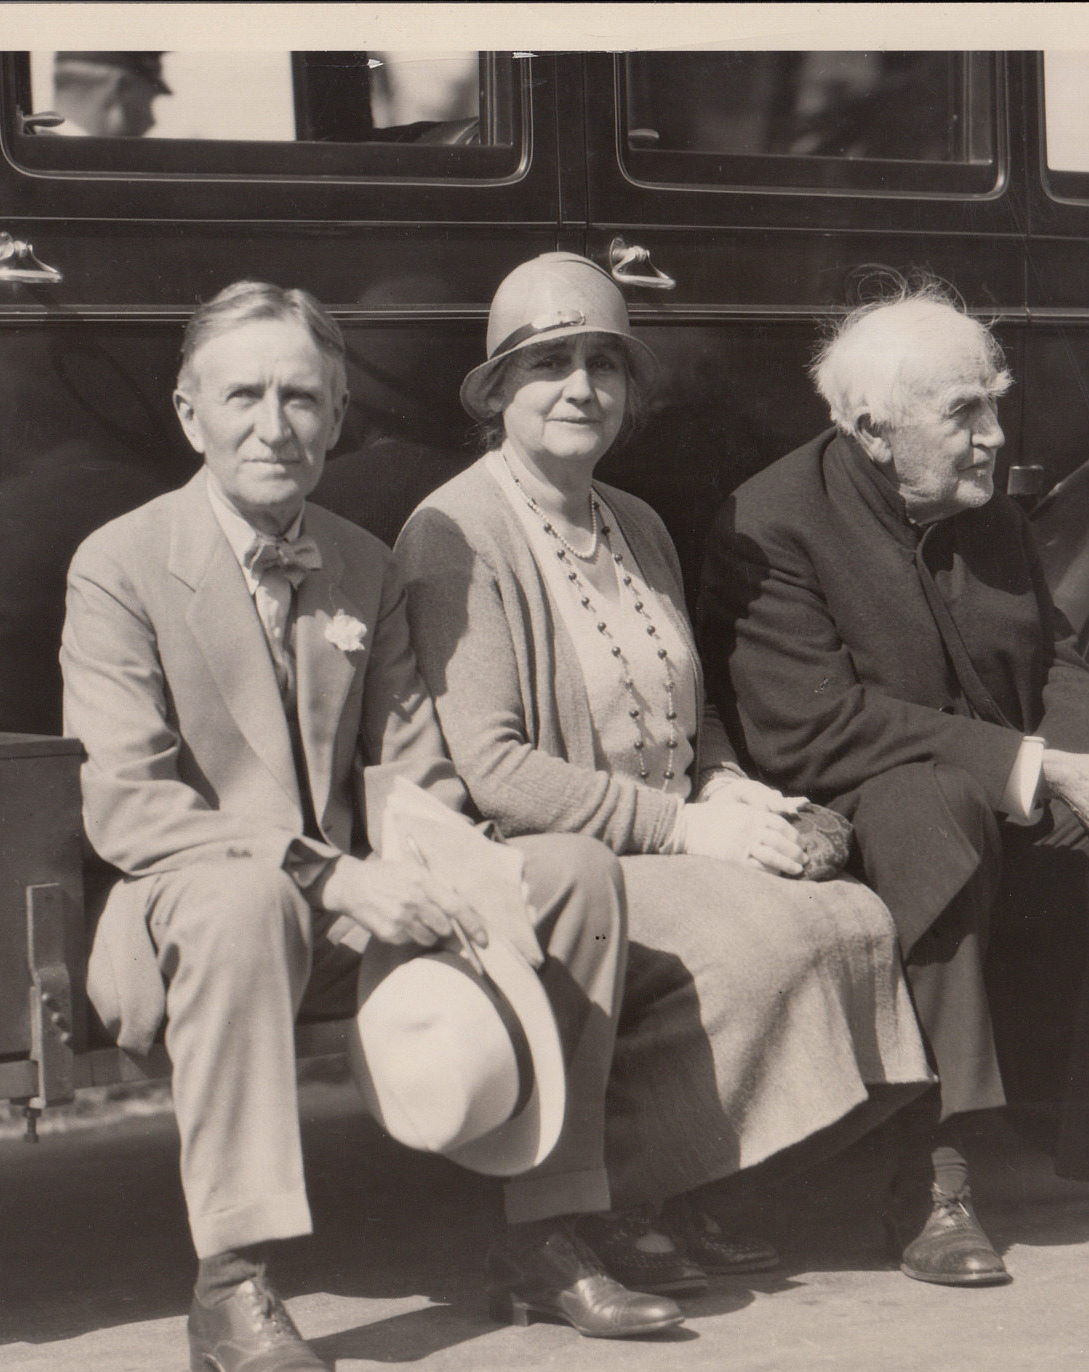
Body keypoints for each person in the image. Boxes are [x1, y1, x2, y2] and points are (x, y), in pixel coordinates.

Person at [62, 281, 684, 1372]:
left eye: (301, 398)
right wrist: (331, 872)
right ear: (187, 414)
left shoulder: (363, 560)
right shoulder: (119, 562)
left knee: (573, 875)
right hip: (193, 908)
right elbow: (132, 811)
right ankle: (233, 1278)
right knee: (243, 905)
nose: (273, 425)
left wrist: (438, 868)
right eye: (242, 396)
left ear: (337, 418)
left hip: (359, 903)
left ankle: (548, 1231)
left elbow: (418, 773)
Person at [699, 282, 1089, 1288]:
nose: (993, 434)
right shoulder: (774, 525)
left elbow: (1049, 664)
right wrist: (1039, 768)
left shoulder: (980, 506)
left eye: (995, 400)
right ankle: (930, 1179)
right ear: (870, 429)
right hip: (843, 802)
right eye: (963, 412)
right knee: (925, 812)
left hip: (987, 782)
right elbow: (814, 728)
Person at [398, 254, 933, 1295]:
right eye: (548, 363)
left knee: (857, 921)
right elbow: (496, 768)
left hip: (672, 831)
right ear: (499, 389)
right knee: (757, 951)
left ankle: (706, 1181)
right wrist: (688, 830)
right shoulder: (453, 533)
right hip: (557, 857)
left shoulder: (633, 522)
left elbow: (693, 712)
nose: (581, 388)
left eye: (604, 363)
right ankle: (618, 1194)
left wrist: (727, 784)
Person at [50, 51, 171, 138]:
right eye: (147, 104)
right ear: (121, 89)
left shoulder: (37, 160)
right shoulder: (88, 165)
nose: (152, 121)